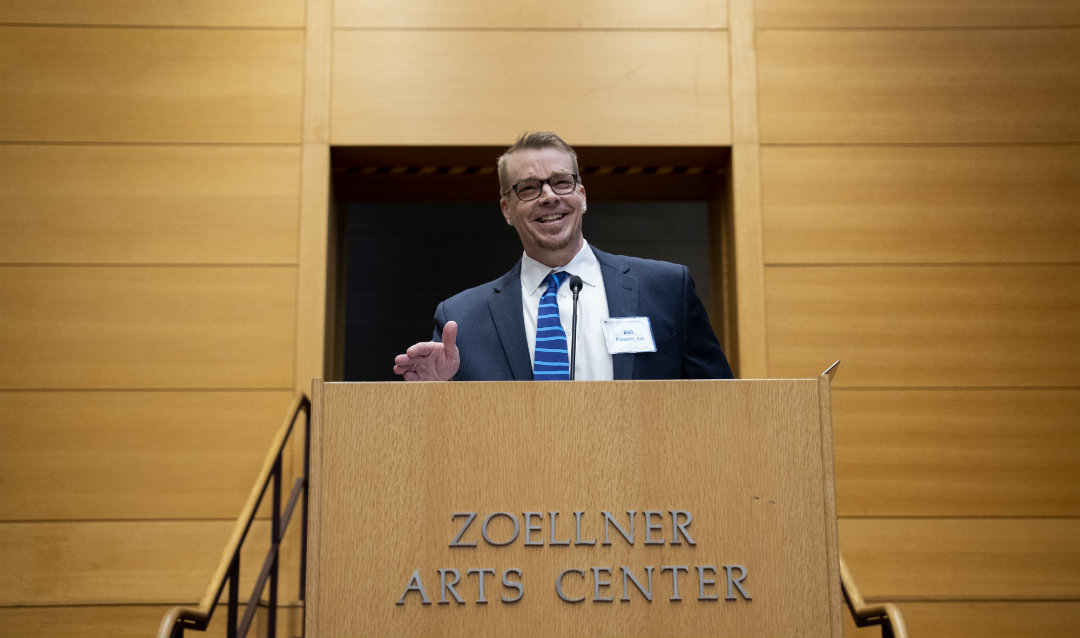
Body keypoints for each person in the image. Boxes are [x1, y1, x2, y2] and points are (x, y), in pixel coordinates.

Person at [393, 131, 733, 382]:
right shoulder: (461, 318)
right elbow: (439, 437)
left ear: (582, 196)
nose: (548, 196)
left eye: (561, 182)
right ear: (506, 209)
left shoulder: (667, 289)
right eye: (528, 188)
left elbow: (719, 404)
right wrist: (434, 394)